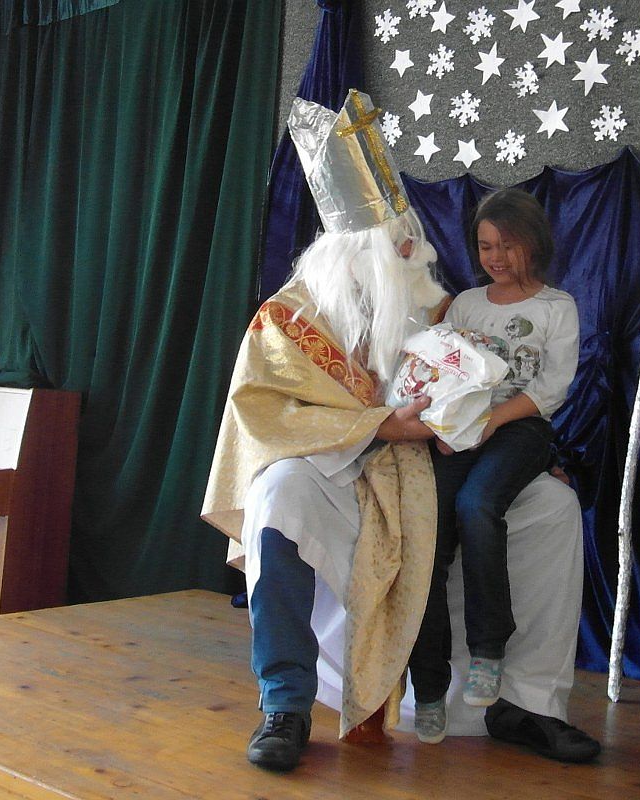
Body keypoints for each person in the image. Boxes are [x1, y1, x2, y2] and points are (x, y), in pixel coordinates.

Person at [202, 88, 449, 771]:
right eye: (397, 242)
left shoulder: (429, 306)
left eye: (410, 236)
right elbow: (263, 415)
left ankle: (426, 693)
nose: (413, 250)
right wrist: (379, 425)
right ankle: (284, 703)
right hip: (328, 469)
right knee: (275, 496)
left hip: (411, 473)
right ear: (358, 253)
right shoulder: (288, 320)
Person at [406, 190, 591, 758]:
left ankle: (489, 650)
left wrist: (490, 422)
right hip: (462, 428)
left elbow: (551, 389)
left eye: (507, 245)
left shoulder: (556, 307)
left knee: (478, 505)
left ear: (534, 243)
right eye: (486, 246)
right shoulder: (465, 304)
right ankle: (428, 686)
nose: (496, 257)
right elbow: (444, 370)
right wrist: (445, 423)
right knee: (429, 535)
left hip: (520, 428)